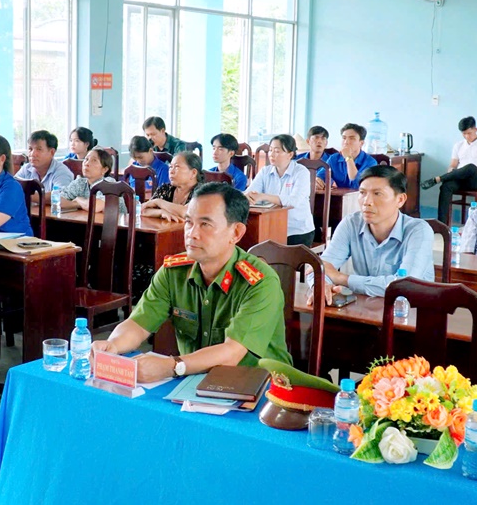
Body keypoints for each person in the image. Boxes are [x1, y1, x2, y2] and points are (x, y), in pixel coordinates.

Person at [92, 183, 291, 381]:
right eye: (189, 222)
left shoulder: (260, 283)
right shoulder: (174, 272)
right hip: (196, 381)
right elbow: (138, 324)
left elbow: (232, 353)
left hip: (262, 387)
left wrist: (173, 366)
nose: (192, 233)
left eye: (205, 224)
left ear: (236, 233)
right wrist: (113, 345)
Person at [317, 165, 434, 302]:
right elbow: (321, 267)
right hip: (367, 307)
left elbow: (404, 286)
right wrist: (322, 285)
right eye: (362, 193)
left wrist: (342, 278)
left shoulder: (419, 231)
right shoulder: (351, 223)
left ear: (400, 200)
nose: (367, 202)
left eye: (377, 194)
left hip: (411, 309)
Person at [421, 116, 477, 224]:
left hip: (474, 181)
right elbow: (452, 165)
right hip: (459, 179)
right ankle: (442, 225)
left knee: (471, 167)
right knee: (446, 186)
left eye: (469, 133)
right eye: (464, 134)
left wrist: (467, 171)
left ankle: (438, 179)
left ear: (475, 129)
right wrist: (452, 171)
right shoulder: (458, 145)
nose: (466, 136)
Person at [246, 134, 316, 246]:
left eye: (277, 151)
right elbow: (250, 192)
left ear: (290, 154)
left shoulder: (301, 172)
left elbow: (293, 201)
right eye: (270, 150)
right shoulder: (265, 171)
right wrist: (249, 196)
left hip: (297, 231)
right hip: (271, 228)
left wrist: (263, 196)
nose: (272, 154)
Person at [59, 148, 125, 214]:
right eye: (86, 159)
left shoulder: (109, 184)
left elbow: (95, 207)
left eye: (94, 160)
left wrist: (78, 199)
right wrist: (80, 204)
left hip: (113, 221)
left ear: (104, 169)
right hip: (86, 219)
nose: (87, 163)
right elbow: (59, 201)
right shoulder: (80, 183)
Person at [143, 152, 202, 223]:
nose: (171, 171)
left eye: (177, 167)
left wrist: (158, 202)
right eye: (170, 167)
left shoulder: (202, 191)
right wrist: (161, 212)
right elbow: (143, 210)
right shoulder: (165, 188)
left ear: (193, 173)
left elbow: (186, 212)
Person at [325, 123, 378, 190]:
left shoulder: (370, 162)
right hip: (338, 195)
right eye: (344, 138)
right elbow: (321, 176)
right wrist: (319, 181)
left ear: (361, 143)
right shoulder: (334, 158)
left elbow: (358, 185)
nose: (346, 142)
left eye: (352, 138)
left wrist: (348, 158)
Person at [297, 125, 333, 189]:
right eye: (316, 137)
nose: (319, 141)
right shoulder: (297, 160)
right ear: (308, 141)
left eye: (323, 138)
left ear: (326, 143)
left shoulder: (332, 161)